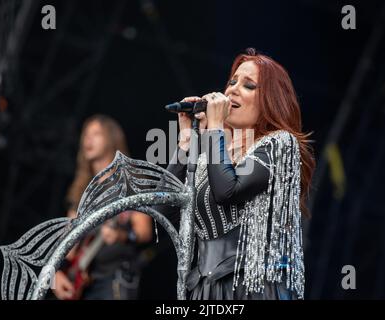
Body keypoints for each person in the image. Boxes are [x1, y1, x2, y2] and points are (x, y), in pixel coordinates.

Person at [166, 48, 315, 300]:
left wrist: (214, 128)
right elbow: (161, 208)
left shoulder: (279, 144)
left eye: (248, 85)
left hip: (251, 288)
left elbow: (228, 191)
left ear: (271, 100)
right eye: (232, 82)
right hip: (204, 291)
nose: (232, 89)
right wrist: (186, 141)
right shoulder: (207, 161)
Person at [52, 114, 153, 300]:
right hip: (83, 284)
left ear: (111, 138)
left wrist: (121, 235)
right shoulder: (81, 190)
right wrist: (56, 273)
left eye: (96, 133)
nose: (88, 139)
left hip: (115, 280)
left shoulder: (131, 181)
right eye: (85, 134)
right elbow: (69, 243)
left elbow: (144, 232)